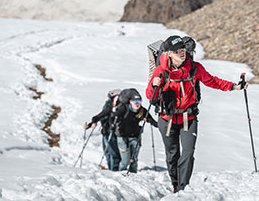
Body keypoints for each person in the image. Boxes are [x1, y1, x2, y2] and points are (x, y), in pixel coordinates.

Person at [146, 35, 247, 193]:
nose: (182, 53)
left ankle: (182, 189)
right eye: (177, 51)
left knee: (188, 153)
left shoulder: (194, 68)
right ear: (169, 54)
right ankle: (175, 184)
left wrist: (234, 86)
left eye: (183, 49)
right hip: (167, 118)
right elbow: (149, 95)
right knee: (172, 155)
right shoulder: (161, 71)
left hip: (189, 117)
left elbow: (211, 81)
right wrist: (154, 85)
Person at [110, 90, 158, 173]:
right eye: (134, 101)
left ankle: (133, 175)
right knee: (125, 160)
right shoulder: (123, 109)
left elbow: (152, 121)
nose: (137, 103)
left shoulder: (142, 111)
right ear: (130, 102)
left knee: (134, 159)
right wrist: (112, 125)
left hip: (135, 136)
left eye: (139, 101)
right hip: (122, 137)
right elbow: (112, 116)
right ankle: (121, 174)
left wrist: (160, 126)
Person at [83, 89, 121, 171]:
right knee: (109, 153)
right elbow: (103, 115)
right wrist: (91, 123)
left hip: (110, 132)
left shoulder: (112, 105)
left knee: (113, 154)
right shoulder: (109, 105)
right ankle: (112, 170)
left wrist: (93, 121)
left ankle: (113, 171)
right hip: (107, 131)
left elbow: (102, 115)